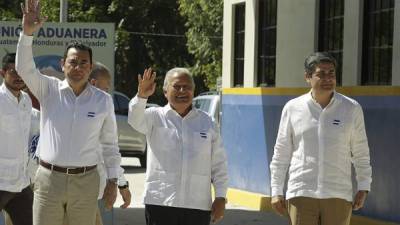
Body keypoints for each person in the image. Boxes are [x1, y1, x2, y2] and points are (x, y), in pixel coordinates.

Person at [16, 1, 122, 225]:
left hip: (86, 181)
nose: (78, 67)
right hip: (48, 180)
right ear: (63, 64)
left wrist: (114, 181)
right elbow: (24, 68)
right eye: (73, 62)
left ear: (91, 67)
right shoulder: (49, 89)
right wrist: (27, 34)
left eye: (84, 62)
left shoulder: (102, 101)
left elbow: (110, 145)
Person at [269, 52, 372, 225]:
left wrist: (364, 186)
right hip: (301, 194)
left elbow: (361, 152)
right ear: (307, 77)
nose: (328, 78)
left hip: (338, 195)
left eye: (331, 73)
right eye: (321, 74)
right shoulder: (293, 108)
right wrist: (276, 190)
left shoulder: (351, 109)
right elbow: (281, 153)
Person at [128, 67, 228, 225]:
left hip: (197, 205)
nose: (182, 90)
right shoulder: (154, 117)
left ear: (193, 91)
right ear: (165, 91)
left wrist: (221, 197)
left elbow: (219, 164)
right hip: (161, 202)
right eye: (176, 86)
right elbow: (134, 120)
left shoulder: (207, 122)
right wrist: (141, 96)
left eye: (187, 87)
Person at [89, 62, 132, 225]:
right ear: (93, 83)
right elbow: (108, 150)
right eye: (106, 89)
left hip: (91, 194)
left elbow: (110, 150)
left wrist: (121, 184)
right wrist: (121, 185)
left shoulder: (101, 110)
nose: (107, 94)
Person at [0, 52, 33, 225]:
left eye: (22, 71)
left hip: (21, 183)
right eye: (14, 71)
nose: (19, 76)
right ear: (2, 73)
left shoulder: (26, 100)